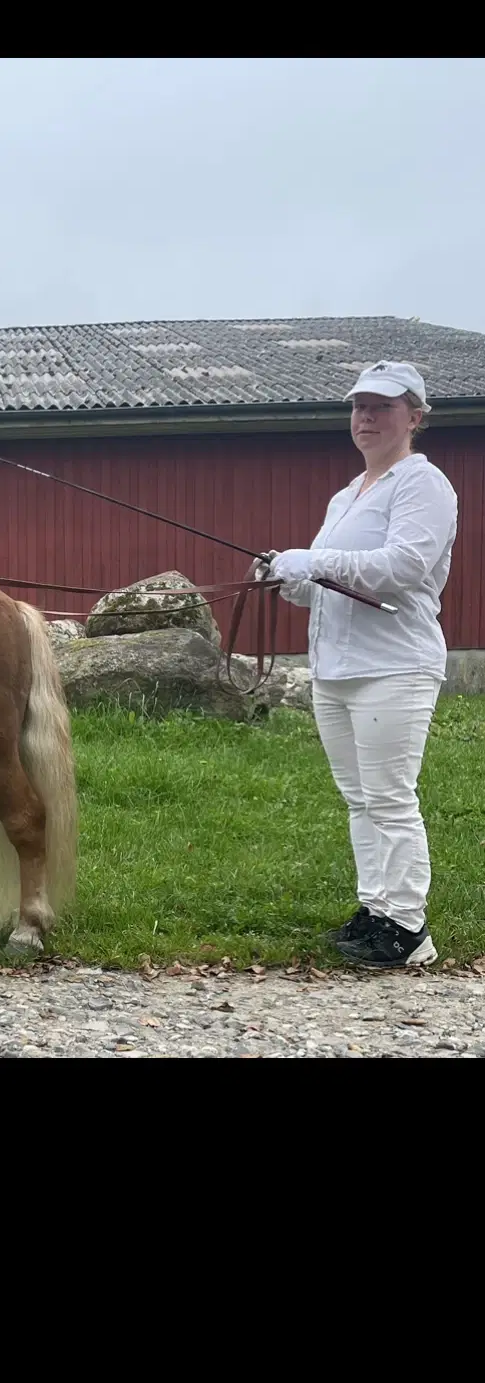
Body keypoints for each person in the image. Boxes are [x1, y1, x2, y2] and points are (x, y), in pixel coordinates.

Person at [267, 360, 458, 968]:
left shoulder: (422, 485)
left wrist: (314, 562)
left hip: (393, 666)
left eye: (383, 407)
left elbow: (403, 567)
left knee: (390, 798)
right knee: (360, 800)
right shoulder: (346, 495)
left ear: (415, 417)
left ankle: (408, 930)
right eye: (359, 407)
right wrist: (289, 576)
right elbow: (327, 585)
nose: (367, 418)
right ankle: (375, 909)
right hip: (337, 669)